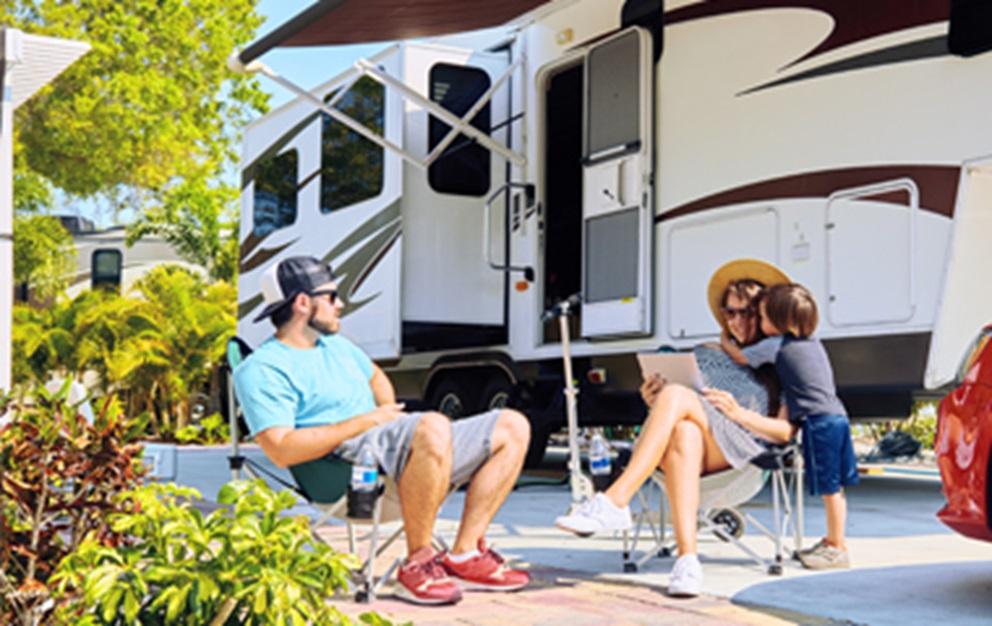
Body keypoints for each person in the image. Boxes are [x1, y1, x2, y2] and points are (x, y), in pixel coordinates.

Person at [233, 256, 532, 606]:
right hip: (344, 465)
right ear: (302, 303)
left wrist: (386, 416)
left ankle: (465, 552)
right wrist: (367, 422)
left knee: (512, 425)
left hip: (390, 444)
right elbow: (281, 449)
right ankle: (417, 564)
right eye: (331, 297)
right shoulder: (263, 368)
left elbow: (375, 377)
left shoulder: (336, 346)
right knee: (432, 425)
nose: (340, 304)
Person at [555, 259, 796, 597]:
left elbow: (785, 432)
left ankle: (616, 499)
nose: (737, 321)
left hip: (745, 458)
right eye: (730, 312)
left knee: (678, 398)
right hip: (699, 449)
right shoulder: (709, 353)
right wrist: (653, 399)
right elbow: (683, 407)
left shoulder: (782, 361)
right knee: (683, 429)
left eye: (747, 313)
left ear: (764, 314)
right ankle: (687, 561)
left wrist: (738, 413)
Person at [722, 282, 858, 570]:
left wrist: (724, 338)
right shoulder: (813, 343)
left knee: (829, 487)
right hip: (838, 416)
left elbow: (740, 357)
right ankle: (834, 540)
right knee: (838, 487)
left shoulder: (776, 345)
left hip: (817, 421)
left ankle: (837, 548)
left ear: (780, 321)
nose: (760, 322)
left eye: (762, 316)